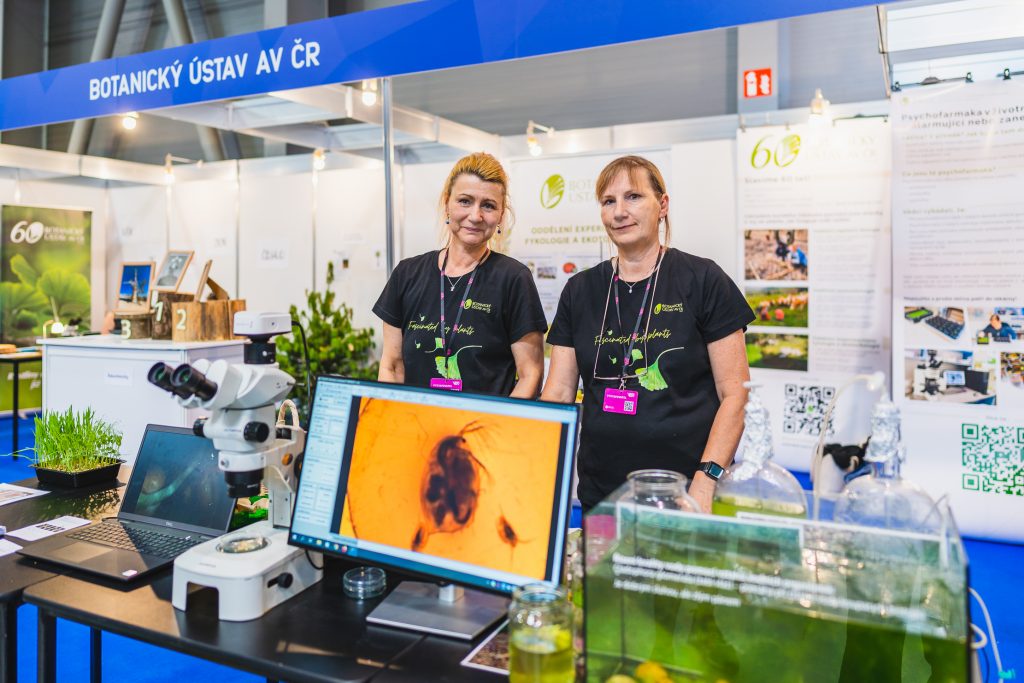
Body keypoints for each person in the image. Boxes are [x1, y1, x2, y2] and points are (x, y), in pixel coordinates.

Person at [541, 155, 754, 512]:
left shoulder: (703, 280)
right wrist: (534, 459)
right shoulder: (580, 290)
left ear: (663, 205)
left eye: (633, 197)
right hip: (601, 492)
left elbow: (735, 394)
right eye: (608, 201)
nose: (619, 212)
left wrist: (706, 479)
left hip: (686, 492)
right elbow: (559, 392)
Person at [374, 152, 547, 397]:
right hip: (414, 418)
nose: (475, 216)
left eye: (488, 205)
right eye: (465, 201)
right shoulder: (407, 274)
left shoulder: (514, 278)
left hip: (485, 421)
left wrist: (498, 421)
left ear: (501, 216)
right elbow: (391, 366)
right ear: (447, 204)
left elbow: (531, 375)